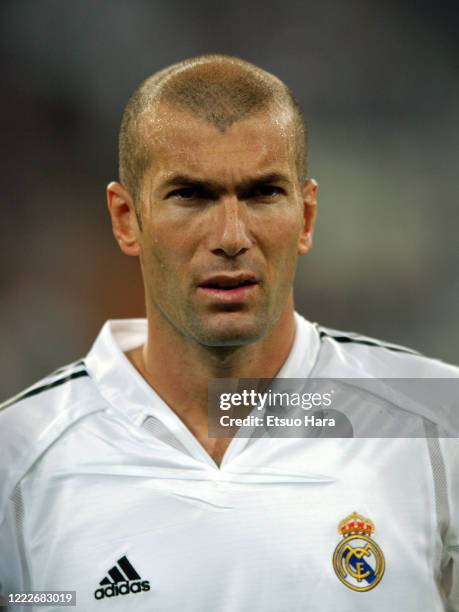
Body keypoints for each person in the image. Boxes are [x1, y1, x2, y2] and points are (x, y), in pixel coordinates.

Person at [0, 54, 458, 611]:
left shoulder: (436, 419)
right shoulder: (18, 455)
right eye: (190, 195)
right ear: (126, 219)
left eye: (263, 193)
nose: (231, 236)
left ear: (307, 217)